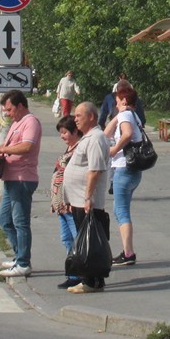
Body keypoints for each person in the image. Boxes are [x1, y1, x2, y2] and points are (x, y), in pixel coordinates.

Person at [0, 90, 41, 278]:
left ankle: (24, 263)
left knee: (20, 222)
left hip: (23, 178)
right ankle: (20, 256)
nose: (7, 113)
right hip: (11, 178)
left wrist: (2, 148)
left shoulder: (30, 122)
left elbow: (27, 146)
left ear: (20, 105)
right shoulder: (16, 123)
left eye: (9, 109)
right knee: (5, 220)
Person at [63, 102, 111, 293]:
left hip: (88, 201)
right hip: (78, 199)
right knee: (85, 239)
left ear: (91, 117)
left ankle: (93, 281)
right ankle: (88, 277)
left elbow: (94, 170)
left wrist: (88, 197)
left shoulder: (96, 138)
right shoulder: (88, 137)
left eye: (79, 115)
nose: (75, 119)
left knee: (91, 241)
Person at [105, 86, 147, 265]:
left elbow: (127, 134)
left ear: (123, 100)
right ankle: (127, 251)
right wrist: (117, 115)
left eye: (117, 100)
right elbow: (106, 133)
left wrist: (115, 149)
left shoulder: (125, 116)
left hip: (124, 168)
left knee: (121, 211)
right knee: (120, 210)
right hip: (132, 169)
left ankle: (128, 253)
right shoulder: (131, 115)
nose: (115, 103)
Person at [50, 113, 82, 290]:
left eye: (65, 132)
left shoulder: (78, 150)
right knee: (67, 239)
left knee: (76, 239)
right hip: (61, 205)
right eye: (60, 133)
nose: (62, 136)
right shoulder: (70, 149)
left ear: (75, 131)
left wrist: (68, 200)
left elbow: (73, 178)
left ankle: (78, 274)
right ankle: (73, 274)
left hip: (70, 204)